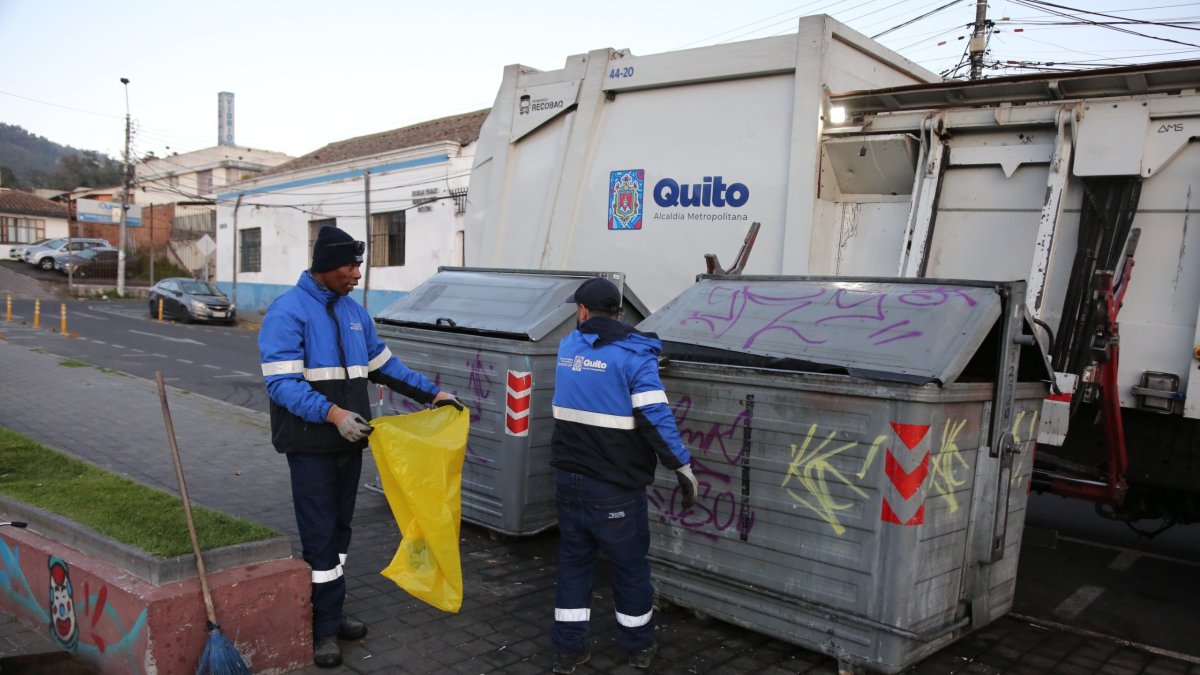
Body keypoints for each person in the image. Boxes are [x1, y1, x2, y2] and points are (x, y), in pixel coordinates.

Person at [258, 225, 461, 668]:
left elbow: (386, 366)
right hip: (311, 445)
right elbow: (281, 384)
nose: (356, 273)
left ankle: (331, 607)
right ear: (327, 267)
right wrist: (332, 414)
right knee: (319, 534)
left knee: (340, 533)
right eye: (350, 266)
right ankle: (322, 628)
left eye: (357, 265)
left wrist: (434, 395)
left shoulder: (355, 313)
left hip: (349, 445)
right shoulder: (287, 312)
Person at [548, 276, 699, 674]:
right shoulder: (634, 356)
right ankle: (638, 648)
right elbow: (655, 417)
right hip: (613, 487)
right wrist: (681, 466)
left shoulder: (567, 348)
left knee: (574, 564)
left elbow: (596, 370)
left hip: (568, 481)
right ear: (618, 312)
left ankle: (567, 652)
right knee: (630, 569)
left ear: (582, 312)